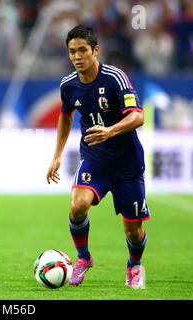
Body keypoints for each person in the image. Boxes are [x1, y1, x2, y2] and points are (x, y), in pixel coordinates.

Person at [46, 25, 150, 288]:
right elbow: (66, 116)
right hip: (95, 158)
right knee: (77, 204)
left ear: (95, 50)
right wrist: (57, 156)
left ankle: (134, 265)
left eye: (82, 50)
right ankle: (83, 258)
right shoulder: (68, 86)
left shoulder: (115, 78)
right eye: (72, 52)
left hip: (127, 162)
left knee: (133, 232)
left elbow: (138, 116)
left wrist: (110, 130)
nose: (77, 56)